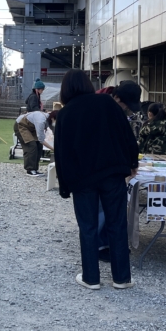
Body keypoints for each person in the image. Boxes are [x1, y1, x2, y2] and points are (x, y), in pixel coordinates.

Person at [54, 69, 138, 291]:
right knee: (117, 224)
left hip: (82, 179)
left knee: (88, 227)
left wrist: (64, 186)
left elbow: (61, 153)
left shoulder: (65, 114)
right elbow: (127, 135)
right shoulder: (107, 103)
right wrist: (132, 162)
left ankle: (91, 278)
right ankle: (122, 278)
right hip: (112, 173)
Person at [13, 110, 47, 176]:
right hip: (21, 124)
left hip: (31, 127)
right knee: (31, 145)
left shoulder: (48, 119)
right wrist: (52, 148)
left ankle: (35, 168)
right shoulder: (41, 120)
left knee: (39, 145)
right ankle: (30, 169)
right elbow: (41, 138)